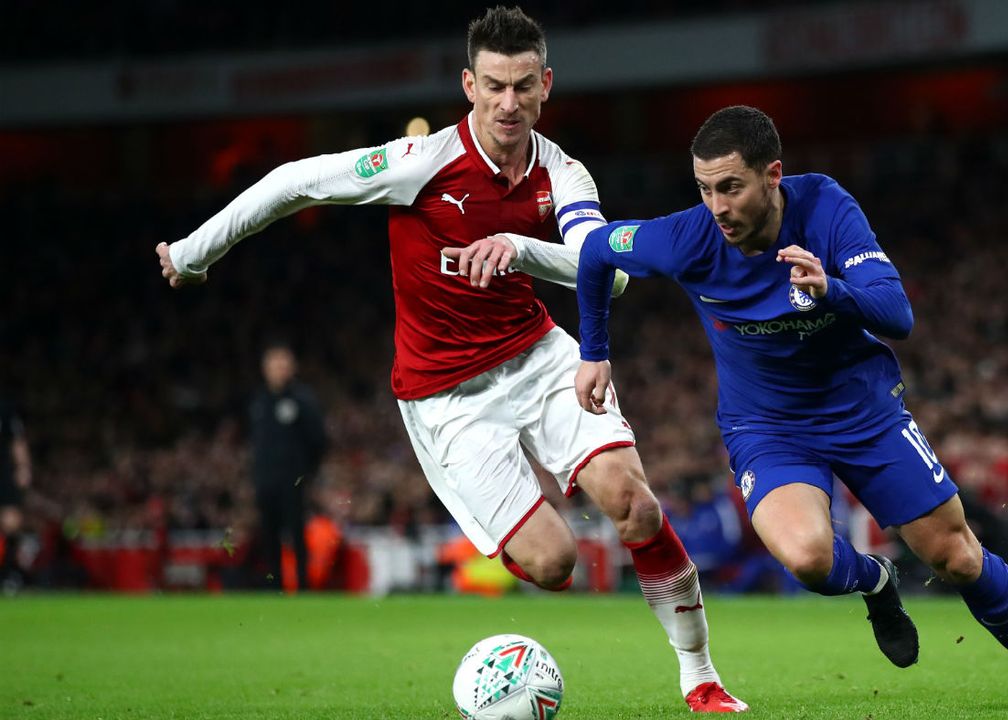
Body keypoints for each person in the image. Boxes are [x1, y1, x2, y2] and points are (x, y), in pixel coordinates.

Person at [155, 7, 745, 711]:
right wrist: (194, 255)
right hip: (447, 400)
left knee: (635, 506)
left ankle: (700, 677)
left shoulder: (564, 172)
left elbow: (607, 269)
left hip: (538, 357)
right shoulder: (422, 163)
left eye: (524, 85)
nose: (508, 103)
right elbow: (292, 182)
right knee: (554, 562)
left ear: (546, 84)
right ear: (469, 84)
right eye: (494, 85)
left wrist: (519, 247)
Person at [573, 105, 1008, 710]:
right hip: (766, 426)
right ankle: (876, 579)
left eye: (731, 187)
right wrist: (595, 351)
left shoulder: (826, 207)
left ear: (773, 176)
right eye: (705, 189)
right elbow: (596, 252)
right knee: (808, 559)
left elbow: (898, 314)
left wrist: (832, 290)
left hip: (863, 411)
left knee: (956, 557)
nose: (717, 207)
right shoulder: (687, 237)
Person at [249, 343, 327, 591]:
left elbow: (319, 440)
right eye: (274, 365)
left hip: (293, 480)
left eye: (283, 364)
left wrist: (306, 472)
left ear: (292, 368)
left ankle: (303, 587)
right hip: (265, 480)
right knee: (268, 535)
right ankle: (275, 587)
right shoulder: (258, 400)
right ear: (265, 369)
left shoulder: (303, 400)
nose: (279, 370)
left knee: (296, 534)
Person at [0, 395, 32, 593]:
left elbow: (17, 440)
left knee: (10, 522)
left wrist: (23, 467)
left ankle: (9, 574)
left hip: (2, 470)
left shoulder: (4, 408)